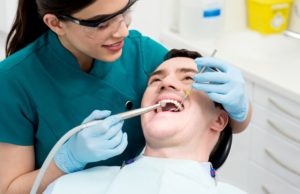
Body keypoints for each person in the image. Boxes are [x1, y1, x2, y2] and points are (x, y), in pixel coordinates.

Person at [0, 0, 251, 193]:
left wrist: (241, 108)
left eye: (125, 11)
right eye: (102, 23)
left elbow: (222, 115)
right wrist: (65, 161)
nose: (122, 31)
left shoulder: (140, 52)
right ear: (55, 23)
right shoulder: (14, 80)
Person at [43, 49, 247, 194]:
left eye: (189, 79)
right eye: (155, 80)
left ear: (219, 120)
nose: (166, 83)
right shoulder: (69, 188)